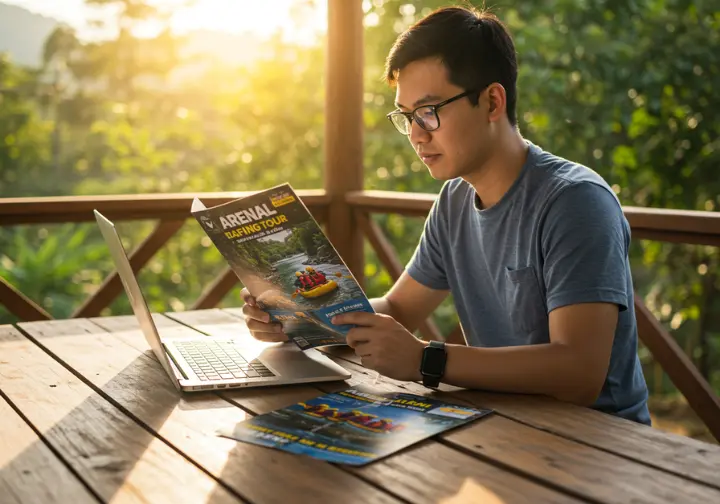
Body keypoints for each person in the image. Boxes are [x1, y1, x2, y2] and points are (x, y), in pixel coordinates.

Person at [242, 6, 650, 425]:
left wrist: (426, 359)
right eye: (406, 116)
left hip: (602, 445)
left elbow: (579, 374)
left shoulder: (575, 202)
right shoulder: (455, 199)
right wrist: (299, 320)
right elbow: (398, 310)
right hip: (504, 425)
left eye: (429, 110)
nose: (417, 134)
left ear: (492, 101)